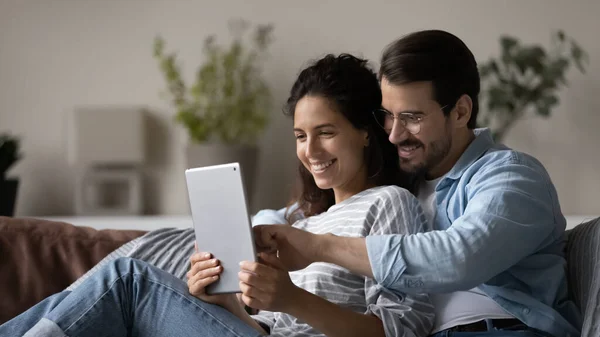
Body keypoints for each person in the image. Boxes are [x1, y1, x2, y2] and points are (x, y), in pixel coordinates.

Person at [19, 54, 434, 337]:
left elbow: (405, 327)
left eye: (326, 132)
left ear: (365, 131)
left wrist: (293, 299)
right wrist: (222, 300)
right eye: (301, 136)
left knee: (127, 279)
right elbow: (264, 328)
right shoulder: (301, 224)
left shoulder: (388, 204)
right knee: (93, 297)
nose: (310, 151)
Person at [252, 30, 582, 337]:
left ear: (461, 112)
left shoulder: (510, 177)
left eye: (412, 117)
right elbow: (285, 217)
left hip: (499, 329)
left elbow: (457, 257)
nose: (394, 134)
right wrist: (257, 237)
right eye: (387, 116)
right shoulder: (405, 181)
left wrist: (318, 247)